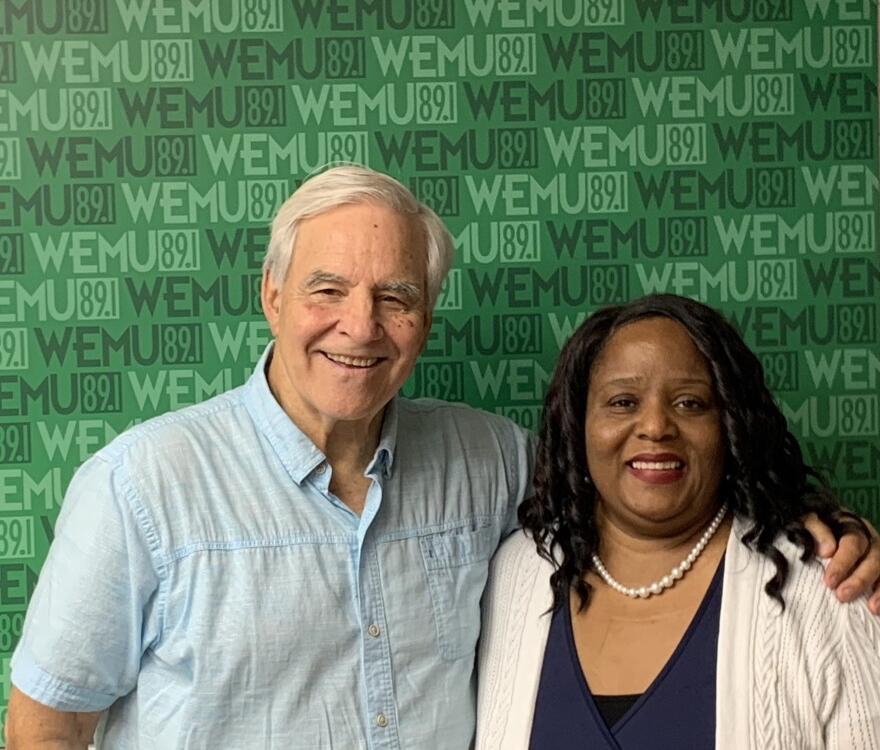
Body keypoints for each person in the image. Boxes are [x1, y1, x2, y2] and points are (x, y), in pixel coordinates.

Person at [5, 168, 879, 749]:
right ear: (271, 294)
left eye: (397, 296)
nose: (360, 324)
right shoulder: (139, 485)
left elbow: (640, 490)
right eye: (327, 290)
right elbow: (44, 728)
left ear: (424, 318)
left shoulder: (490, 460)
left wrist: (812, 526)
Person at [476, 293, 880, 749]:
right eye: (622, 402)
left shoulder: (826, 585)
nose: (655, 426)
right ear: (578, 426)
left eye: (690, 403)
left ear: (730, 425)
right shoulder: (514, 575)